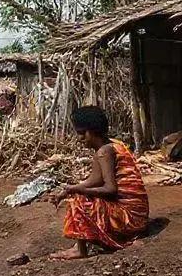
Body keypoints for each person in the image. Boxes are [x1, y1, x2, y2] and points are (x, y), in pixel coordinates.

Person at [48, 106, 148, 260]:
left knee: (80, 201)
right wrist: (68, 190)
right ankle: (81, 244)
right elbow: (94, 181)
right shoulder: (113, 145)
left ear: (92, 131)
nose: (80, 138)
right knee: (79, 195)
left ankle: (80, 250)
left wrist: (78, 192)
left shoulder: (103, 152)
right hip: (138, 215)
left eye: (82, 133)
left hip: (130, 218)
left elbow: (110, 189)